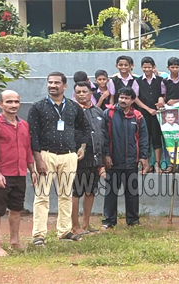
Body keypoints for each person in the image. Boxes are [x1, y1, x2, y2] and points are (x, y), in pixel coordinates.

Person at [28, 71, 92, 245]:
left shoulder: (73, 107)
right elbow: (32, 135)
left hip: (68, 156)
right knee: (42, 195)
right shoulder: (38, 107)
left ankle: (64, 231)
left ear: (65, 86)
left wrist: (82, 147)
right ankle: (39, 235)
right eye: (50, 82)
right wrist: (38, 159)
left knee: (65, 195)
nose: (52, 85)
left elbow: (85, 128)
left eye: (56, 83)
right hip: (46, 155)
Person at [0, 90, 37, 256]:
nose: (13, 105)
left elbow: (27, 149)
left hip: (20, 173)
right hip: (2, 175)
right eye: (9, 102)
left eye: (16, 102)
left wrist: (32, 170)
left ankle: (14, 241)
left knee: (16, 208)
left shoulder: (24, 125)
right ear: (1, 104)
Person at [102, 87, 149, 229]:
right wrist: (106, 155)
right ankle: (109, 221)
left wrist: (143, 157)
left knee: (132, 192)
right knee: (111, 192)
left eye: (127, 98)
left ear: (133, 100)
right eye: (121, 97)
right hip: (113, 161)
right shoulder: (108, 114)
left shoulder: (138, 116)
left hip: (131, 161)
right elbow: (104, 137)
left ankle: (133, 220)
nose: (123, 100)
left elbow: (143, 138)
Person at [71, 82, 106, 235]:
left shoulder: (99, 112)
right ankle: (74, 225)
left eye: (84, 91)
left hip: (96, 157)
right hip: (79, 158)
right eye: (78, 92)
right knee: (76, 191)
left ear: (91, 93)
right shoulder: (71, 112)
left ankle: (86, 223)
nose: (81, 94)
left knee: (91, 191)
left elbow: (104, 134)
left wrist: (104, 157)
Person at [137, 56, 167, 173]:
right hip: (143, 114)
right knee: (145, 139)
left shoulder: (160, 80)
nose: (147, 69)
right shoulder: (138, 81)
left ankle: (157, 164)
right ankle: (146, 165)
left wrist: (160, 101)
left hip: (157, 114)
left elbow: (162, 94)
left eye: (149, 67)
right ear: (141, 67)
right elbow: (135, 98)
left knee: (156, 139)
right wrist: (148, 109)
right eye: (144, 67)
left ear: (153, 67)